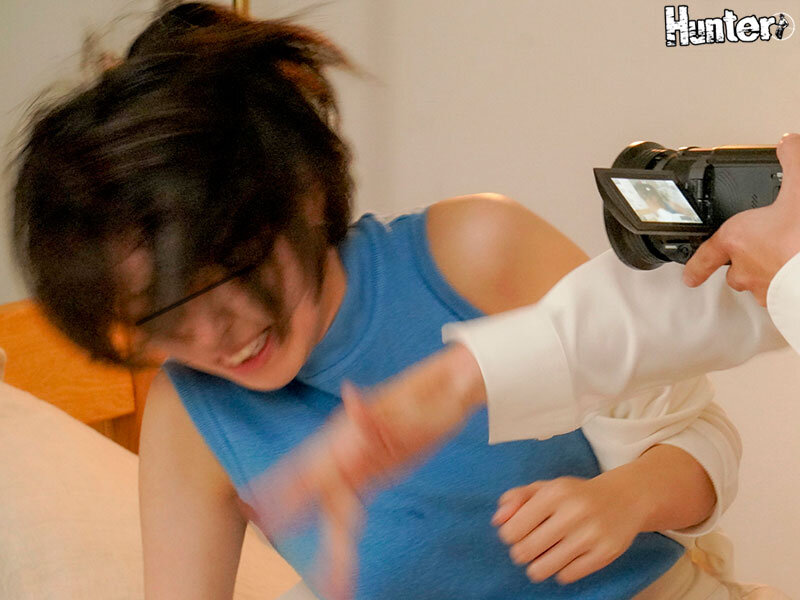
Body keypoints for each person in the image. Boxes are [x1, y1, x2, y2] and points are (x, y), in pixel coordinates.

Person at [10, 3, 759, 599]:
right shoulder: (191, 413)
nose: (214, 337)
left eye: (229, 274)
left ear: (302, 195)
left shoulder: (473, 252)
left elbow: (702, 442)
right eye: (163, 317)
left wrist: (624, 500)